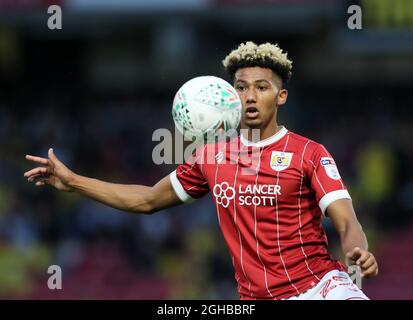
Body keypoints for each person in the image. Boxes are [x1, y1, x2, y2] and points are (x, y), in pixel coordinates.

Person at [24, 41, 378, 300]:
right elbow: (147, 200)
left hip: (321, 287)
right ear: (230, 94)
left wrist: (357, 252)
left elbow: (347, 221)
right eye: (241, 88)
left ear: (281, 96)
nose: (250, 97)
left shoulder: (308, 153)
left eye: (262, 87)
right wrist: (73, 181)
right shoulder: (211, 157)